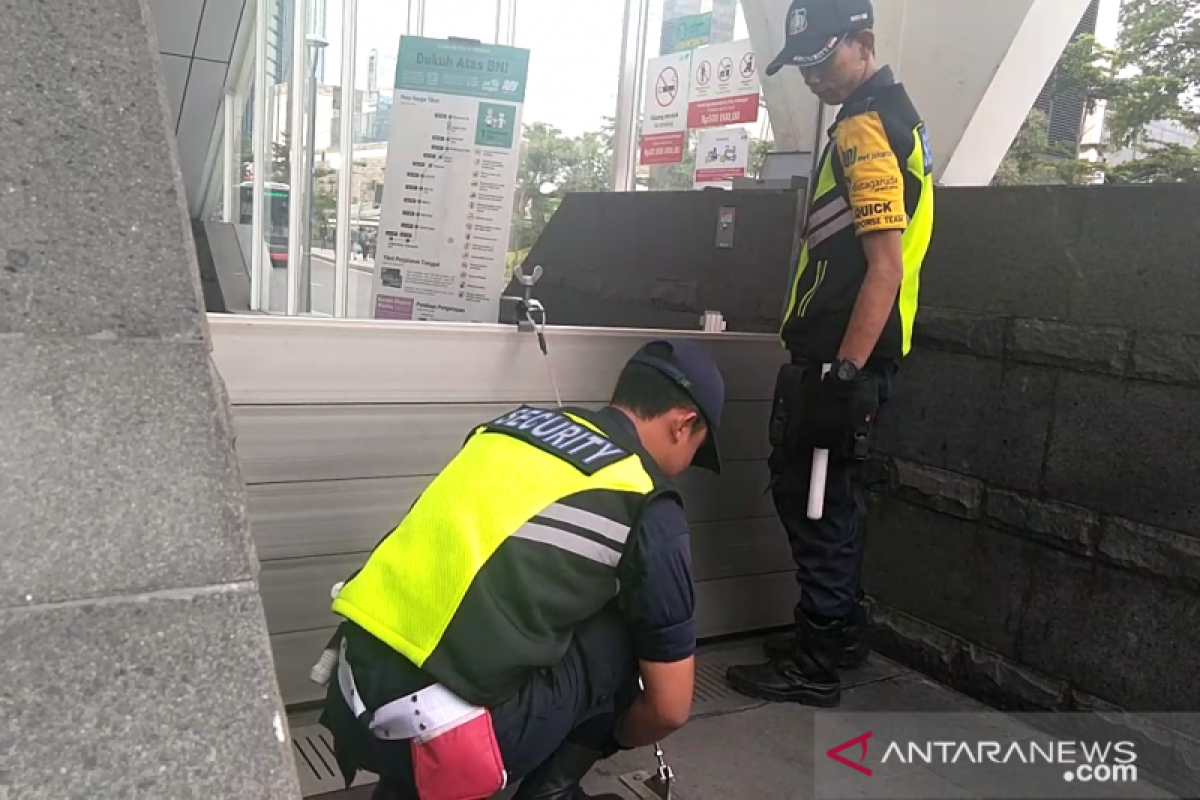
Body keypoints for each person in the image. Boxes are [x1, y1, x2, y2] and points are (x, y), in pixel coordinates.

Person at [318, 339, 725, 799]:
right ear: (684, 425)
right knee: (628, 626)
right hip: (447, 738)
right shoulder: (644, 496)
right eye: (697, 449)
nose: (686, 466)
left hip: (351, 694)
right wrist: (605, 737)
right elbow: (670, 708)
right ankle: (550, 789)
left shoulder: (510, 429)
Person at [725, 0, 935, 708]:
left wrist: (840, 377)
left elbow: (884, 267)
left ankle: (816, 663)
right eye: (803, 65)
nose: (813, 77)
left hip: (840, 357)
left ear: (863, 42)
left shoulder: (864, 130)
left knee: (813, 502)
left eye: (823, 60)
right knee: (832, 498)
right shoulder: (900, 117)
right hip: (859, 354)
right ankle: (835, 636)